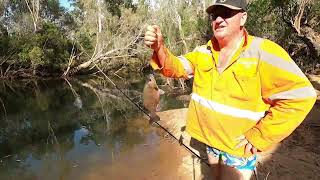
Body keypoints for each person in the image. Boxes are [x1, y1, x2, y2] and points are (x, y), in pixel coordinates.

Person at [144, 0, 317, 179]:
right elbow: (176, 67)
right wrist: (159, 48)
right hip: (210, 141)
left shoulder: (264, 51)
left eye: (226, 13)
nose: (218, 19)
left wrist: (261, 135)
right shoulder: (203, 52)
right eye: (214, 15)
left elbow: (302, 95)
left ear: (243, 18)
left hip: (237, 149)